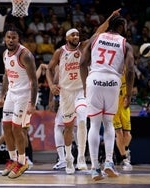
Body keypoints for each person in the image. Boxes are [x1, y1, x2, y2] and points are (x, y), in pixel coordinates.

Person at [46, 9, 121, 175]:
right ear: (67, 38)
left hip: (81, 90)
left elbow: (98, 31)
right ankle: (68, 158)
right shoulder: (60, 52)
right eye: (73, 35)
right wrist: (52, 85)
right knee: (67, 127)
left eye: (77, 35)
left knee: (81, 120)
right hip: (66, 92)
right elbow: (48, 69)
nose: (76, 37)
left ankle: (80, 157)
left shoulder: (84, 46)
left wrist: (110, 17)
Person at [80, 15, 135, 181]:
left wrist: (85, 86)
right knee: (109, 123)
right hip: (113, 82)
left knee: (95, 125)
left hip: (94, 79)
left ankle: (95, 168)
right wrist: (129, 93)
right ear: (122, 27)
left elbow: (82, 63)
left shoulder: (96, 38)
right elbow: (131, 69)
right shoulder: (125, 43)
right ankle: (109, 162)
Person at [0, 25, 38, 179]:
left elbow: (34, 81)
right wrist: (2, 96)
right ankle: (13, 159)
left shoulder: (25, 55)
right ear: (5, 39)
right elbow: (6, 75)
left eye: (14, 37)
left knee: (17, 129)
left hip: (24, 95)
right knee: (6, 127)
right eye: (8, 37)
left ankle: (22, 161)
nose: (11, 40)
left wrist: (32, 104)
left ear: (18, 39)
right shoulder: (5, 54)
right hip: (12, 94)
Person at [113, 74, 133, 171]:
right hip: (113, 108)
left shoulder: (126, 70)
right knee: (119, 133)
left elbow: (131, 81)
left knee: (128, 135)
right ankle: (125, 159)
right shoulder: (110, 73)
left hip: (124, 106)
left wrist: (129, 96)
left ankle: (125, 150)